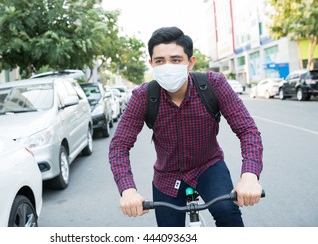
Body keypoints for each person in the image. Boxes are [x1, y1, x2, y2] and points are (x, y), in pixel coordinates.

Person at [108, 26, 263, 227]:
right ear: (151, 64)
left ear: (190, 62)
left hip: (209, 167)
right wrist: (128, 190)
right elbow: (119, 146)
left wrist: (249, 176)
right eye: (160, 61)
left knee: (227, 213)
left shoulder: (213, 85)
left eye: (175, 60)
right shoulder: (143, 97)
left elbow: (248, 130)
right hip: (167, 176)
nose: (167, 66)